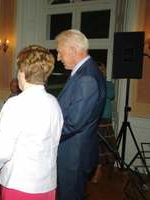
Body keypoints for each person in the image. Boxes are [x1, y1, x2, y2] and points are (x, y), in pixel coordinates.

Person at [0, 45, 64, 200]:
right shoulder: (53, 102)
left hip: (20, 184)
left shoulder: (15, 104)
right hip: (47, 184)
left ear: (22, 74)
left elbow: (1, 152)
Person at [55, 29, 106, 200]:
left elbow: (74, 123)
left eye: (60, 53)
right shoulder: (85, 72)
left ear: (73, 51)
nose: (58, 58)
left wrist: (47, 135)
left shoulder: (87, 77)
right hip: (73, 154)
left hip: (73, 156)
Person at [91, 61, 117, 183]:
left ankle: (98, 171)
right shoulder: (90, 84)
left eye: (99, 71)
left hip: (105, 118)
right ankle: (92, 168)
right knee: (93, 145)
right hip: (93, 118)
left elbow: (111, 94)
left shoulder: (108, 84)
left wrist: (100, 82)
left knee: (102, 146)